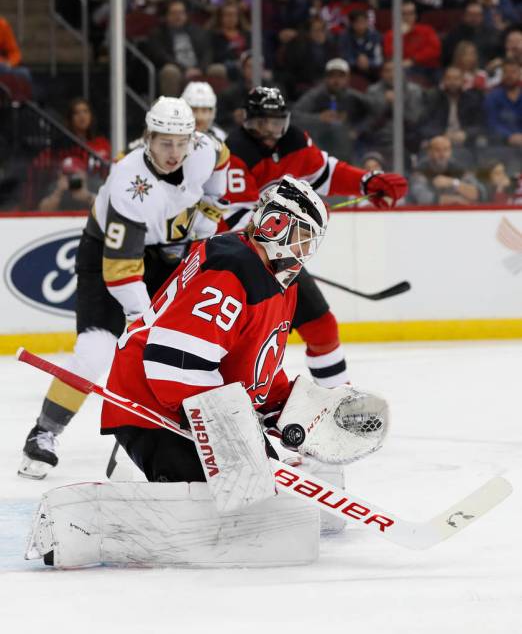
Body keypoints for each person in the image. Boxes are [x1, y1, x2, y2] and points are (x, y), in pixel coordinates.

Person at [19, 96, 230, 479]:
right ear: (147, 138)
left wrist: (212, 207)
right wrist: (141, 320)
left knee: (182, 348)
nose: (174, 152)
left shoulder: (202, 148)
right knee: (97, 349)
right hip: (108, 261)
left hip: (166, 253)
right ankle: (44, 433)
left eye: (181, 142)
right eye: (165, 142)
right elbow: (120, 271)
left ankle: (150, 439)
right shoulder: (130, 184)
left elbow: (222, 159)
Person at [101, 175, 328, 483]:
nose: (306, 249)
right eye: (303, 235)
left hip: (194, 403)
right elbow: (175, 363)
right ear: (274, 225)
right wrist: (230, 429)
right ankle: (144, 464)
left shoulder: (272, 278)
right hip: (154, 407)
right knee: (240, 491)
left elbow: (252, 358)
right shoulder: (231, 268)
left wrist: (280, 406)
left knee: (265, 491)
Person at [223, 86, 408, 389]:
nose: (271, 132)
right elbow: (235, 221)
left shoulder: (295, 140)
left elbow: (325, 173)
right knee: (242, 345)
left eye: (276, 123)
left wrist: (366, 182)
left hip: (281, 264)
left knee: (322, 328)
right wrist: (284, 244)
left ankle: (340, 400)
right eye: (263, 124)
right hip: (239, 266)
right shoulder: (236, 151)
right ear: (248, 121)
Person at [292, 58, 375, 160]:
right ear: (326, 78)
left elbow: (373, 111)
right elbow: (294, 115)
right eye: (332, 76)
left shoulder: (352, 96)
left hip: (347, 150)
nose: (336, 80)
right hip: (320, 150)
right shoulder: (316, 95)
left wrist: (358, 130)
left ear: (348, 78)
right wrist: (319, 118)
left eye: (341, 76)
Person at [144, 0, 213, 97]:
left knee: (218, 69)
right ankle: (171, 109)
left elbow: (208, 52)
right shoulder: (158, 34)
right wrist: (185, 70)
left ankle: (217, 108)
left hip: (198, 68)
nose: (178, 16)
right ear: (166, 16)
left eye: (181, 13)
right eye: (174, 13)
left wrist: (200, 69)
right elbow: (161, 57)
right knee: (170, 71)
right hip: (177, 69)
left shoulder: (197, 31)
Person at [408, 135, 485, 205]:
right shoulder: (420, 170)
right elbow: (423, 199)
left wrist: (453, 182)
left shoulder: (458, 167)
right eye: (437, 150)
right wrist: (456, 199)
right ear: (429, 152)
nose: (442, 154)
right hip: (425, 215)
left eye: (446, 150)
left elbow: (478, 194)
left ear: (450, 152)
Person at [484, 59, 522, 148]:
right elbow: (491, 123)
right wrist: (509, 136)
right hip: (501, 144)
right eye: (506, 72)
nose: (509, 75)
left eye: (513, 72)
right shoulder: (493, 96)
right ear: (501, 75)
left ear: (520, 74)